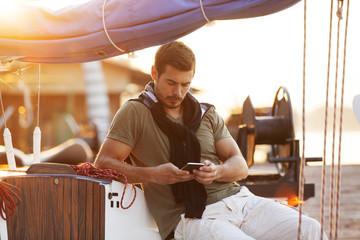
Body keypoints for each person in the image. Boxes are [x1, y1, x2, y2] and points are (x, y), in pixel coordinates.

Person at [95, 41, 327, 240]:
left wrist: (216, 172)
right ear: (154, 73)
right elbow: (103, 163)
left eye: (185, 84)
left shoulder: (207, 113)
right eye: (171, 83)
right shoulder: (135, 112)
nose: (178, 92)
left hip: (240, 201)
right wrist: (154, 175)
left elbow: (240, 165)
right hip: (190, 217)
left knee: (309, 229)